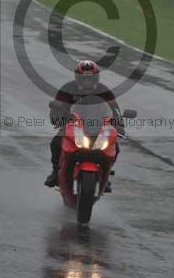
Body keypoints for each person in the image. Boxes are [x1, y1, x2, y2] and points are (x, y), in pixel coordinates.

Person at [44, 60, 124, 190]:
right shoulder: (67, 89)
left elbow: (114, 109)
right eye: (84, 78)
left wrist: (119, 125)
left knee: (114, 146)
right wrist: (57, 118)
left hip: (98, 126)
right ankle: (55, 172)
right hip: (73, 125)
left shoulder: (104, 91)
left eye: (90, 78)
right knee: (57, 142)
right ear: (77, 77)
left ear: (96, 77)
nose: (87, 81)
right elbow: (56, 106)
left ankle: (106, 174)